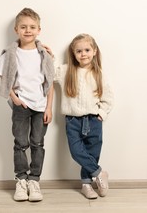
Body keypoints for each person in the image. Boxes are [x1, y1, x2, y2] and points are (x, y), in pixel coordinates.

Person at [0, 8, 54, 202]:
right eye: (24, 27)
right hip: (21, 106)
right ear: (16, 29)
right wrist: (14, 97)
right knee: (20, 144)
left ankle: (34, 181)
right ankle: (21, 180)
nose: (28, 30)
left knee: (38, 143)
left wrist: (49, 107)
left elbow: (50, 83)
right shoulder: (11, 53)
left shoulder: (44, 54)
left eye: (32, 27)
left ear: (39, 30)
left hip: (41, 106)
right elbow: (3, 76)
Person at [52, 33, 114, 199]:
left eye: (87, 50)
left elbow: (108, 97)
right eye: (79, 51)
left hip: (94, 120)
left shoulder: (99, 73)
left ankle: (86, 184)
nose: (83, 54)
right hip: (72, 121)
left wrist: (102, 113)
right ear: (73, 53)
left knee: (92, 153)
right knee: (76, 151)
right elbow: (50, 73)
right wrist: (48, 56)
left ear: (94, 51)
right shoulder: (66, 71)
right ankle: (100, 173)